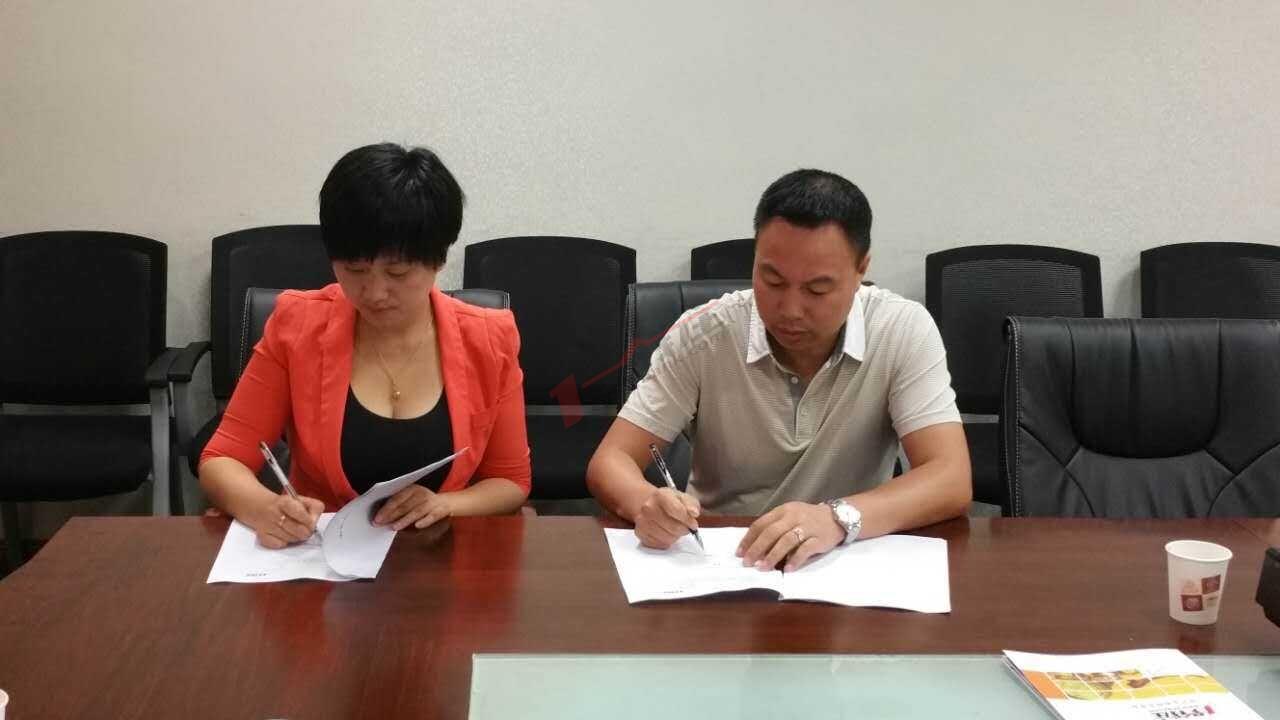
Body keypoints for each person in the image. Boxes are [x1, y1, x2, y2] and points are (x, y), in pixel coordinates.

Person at [586, 169, 970, 571]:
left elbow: (950, 477)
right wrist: (647, 504)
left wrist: (836, 518)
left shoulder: (901, 330)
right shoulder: (703, 336)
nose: (790, 310)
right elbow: (611, 459)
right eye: (772, 280)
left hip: (849, 562)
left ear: (861, 269)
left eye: (817, 289)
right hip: (724, 564)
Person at [200, 143, 531, 549]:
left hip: (440, 559)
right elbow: (223, 458)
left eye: (398, 272)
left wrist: (447, 504)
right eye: (354, 270)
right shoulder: (297, 326)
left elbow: (510, 480)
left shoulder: (490, 338)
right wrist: (266, 507)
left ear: (438, 259)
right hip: (322, 558)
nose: (374, 293)